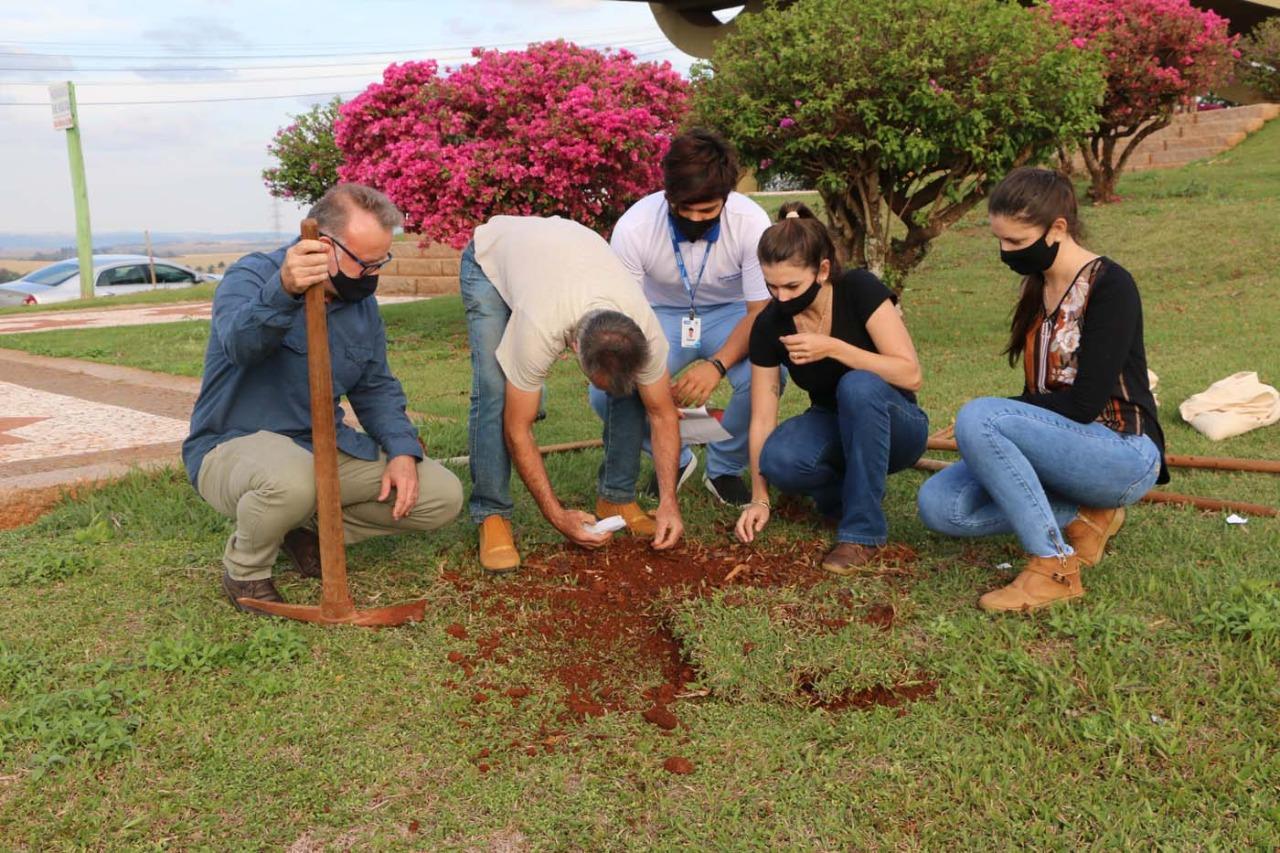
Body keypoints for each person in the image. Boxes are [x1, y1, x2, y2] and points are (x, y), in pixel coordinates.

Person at [184, 183, 463, 614]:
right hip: (231, 446)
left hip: (321, 447)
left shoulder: (359, 304)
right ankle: (245, 570)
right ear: (323, 245)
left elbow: (374, 387)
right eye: (365, 263)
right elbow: (241, 345)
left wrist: (401, 450)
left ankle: (304, 531)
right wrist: (285, 290)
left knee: (440, 495)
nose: (373, 275)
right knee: (291, 480)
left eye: (380, 262)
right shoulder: (253, 276)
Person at [916, 167, 1167, 613]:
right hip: (1064, 453)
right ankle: (1088, 517)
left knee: (981, 415)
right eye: (1000, 240)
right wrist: (998, 423)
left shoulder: (1111, 285)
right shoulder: (1039, 285)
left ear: (1057, 229)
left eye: (1015, 241)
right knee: (940, 505)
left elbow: (1084, 403)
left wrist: (993, 419)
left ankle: (1053, 567)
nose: (1005, 251)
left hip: (1122, 451)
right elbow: (1043, 395)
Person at [462, 215, 685, 572]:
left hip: (562, 255)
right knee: (494, 388)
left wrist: (669, 503)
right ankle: (492, 514)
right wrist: (558, 516)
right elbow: (518, 428)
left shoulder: (646, 333)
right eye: (598, 382)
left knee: (632, 392)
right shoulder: (540, 327)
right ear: (575, 349)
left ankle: (616, 498)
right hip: (491, 258)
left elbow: (662, 414)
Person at [734, 204, 928, 574]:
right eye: (772, 286)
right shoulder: (770, 324)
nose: (782, 297)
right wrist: (760, 499)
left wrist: (834, 347)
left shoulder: (859, 289)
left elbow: (910, 374)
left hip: (896, 422)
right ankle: (839, 499)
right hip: (833, 421)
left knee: (857, 386)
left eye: (792, 285)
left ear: (822, 270)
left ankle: (862, 534)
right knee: (779, 459)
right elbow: (762, 417)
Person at [598, 129, 773, 506]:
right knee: (604, 389)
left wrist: (717, 366)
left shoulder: (752, 222)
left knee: (766, 375)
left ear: (726, 198)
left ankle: (725, 468)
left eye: (707, 211)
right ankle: (674, 457)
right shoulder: (634, 227)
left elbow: (760, 312)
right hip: (654, 315)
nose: (695, 218)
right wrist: (651, 378)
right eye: (684, 208)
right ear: (668, 195)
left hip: (733, 314)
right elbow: (625, 314)